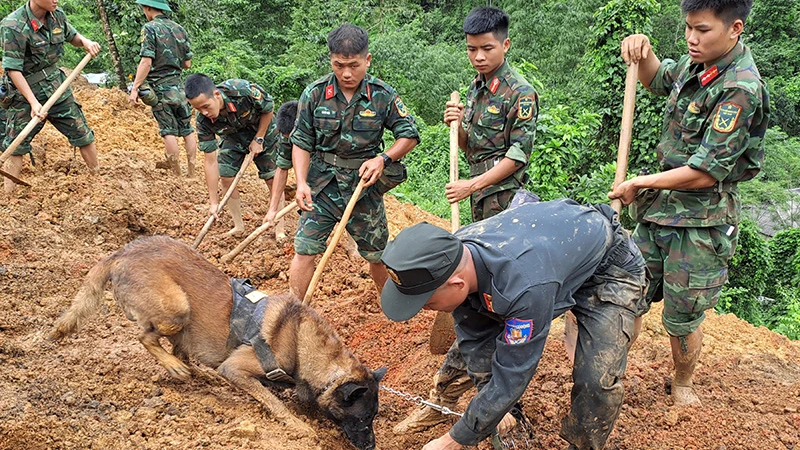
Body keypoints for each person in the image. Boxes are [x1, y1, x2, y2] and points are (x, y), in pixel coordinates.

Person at [380, 199, 649, 450]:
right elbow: (474, 339)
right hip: (549, 260)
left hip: (607, 268)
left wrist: (454, 440)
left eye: (427, 302)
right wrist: (492, 407)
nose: (424, 309)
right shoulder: (451, 256)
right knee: (467, 351)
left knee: (597, 379)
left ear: (457, 284)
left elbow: (514, 370)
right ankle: (445, 402)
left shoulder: (523, 288)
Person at [609, 0, 769, 406]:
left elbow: (706, 171)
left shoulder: (740, 88)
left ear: (734, 28)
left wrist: (641, 181)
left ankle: (682, 383)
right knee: (628, 292)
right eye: (688, 29)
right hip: (657, 212)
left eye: (702, 30)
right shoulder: (694, 65)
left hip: (701, 225)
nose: (692, 39)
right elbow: (654, 77)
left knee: (681, 317)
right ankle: (609, 374)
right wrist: (642, 51)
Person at [394, 5, 539, 434]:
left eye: (486, 48)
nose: (478, 56)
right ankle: (451, 396)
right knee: (472, 303)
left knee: (493, 306)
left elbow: (516, 157)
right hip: (476, 206)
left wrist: (472, 186)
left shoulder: (520, 93)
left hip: (506, 209)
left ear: (505, 45)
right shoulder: (475, 90)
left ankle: (492, 401)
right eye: (472, 49)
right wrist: (457, 127)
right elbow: (470, 148)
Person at [288, 24, 419, 298]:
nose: (346, 73)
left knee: (377, 254)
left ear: (367, 60)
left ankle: (389, 306)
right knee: (304, 249)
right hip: (322, 187)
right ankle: (296, 314)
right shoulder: (314, 94)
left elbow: (410, 135)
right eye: (339, 65)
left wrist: (383, 159)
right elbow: (301, 141)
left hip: (364, 187)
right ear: (331, 60)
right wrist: (300, 183)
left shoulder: (383, 95)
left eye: (354, 65)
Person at [1, 0, 101, 195]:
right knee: (15, 145)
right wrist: (33, 102)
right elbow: (13, 69)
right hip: (24, 92)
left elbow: (73, 37)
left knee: (83, 134)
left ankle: (98, 180)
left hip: (57, 87)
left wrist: (86, 42)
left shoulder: (57, 15)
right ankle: (8, 198)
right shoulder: (13, 25)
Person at [184, 73, 280, 236]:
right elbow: (210, 161)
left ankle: (279, 230)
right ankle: (238, 226)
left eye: (206, 106)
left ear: (216, 95)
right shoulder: (203, 121)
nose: (204, 112)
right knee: (227, 177)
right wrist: (214, 202)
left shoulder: (242, 91)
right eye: (198, 109)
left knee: (272, 178)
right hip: (232, 136)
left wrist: (259, 138)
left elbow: (268, 108)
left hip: (263, 130)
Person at [128, 0, 196, 177]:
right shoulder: (179, 28)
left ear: (148, 8)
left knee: (168, 131)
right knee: (187, 129)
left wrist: (135, 87)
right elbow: (187, 63)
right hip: (180, 89)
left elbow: (146, 61)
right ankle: (192, 172)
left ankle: (176, 174)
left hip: (160, 89)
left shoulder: (149, 28)